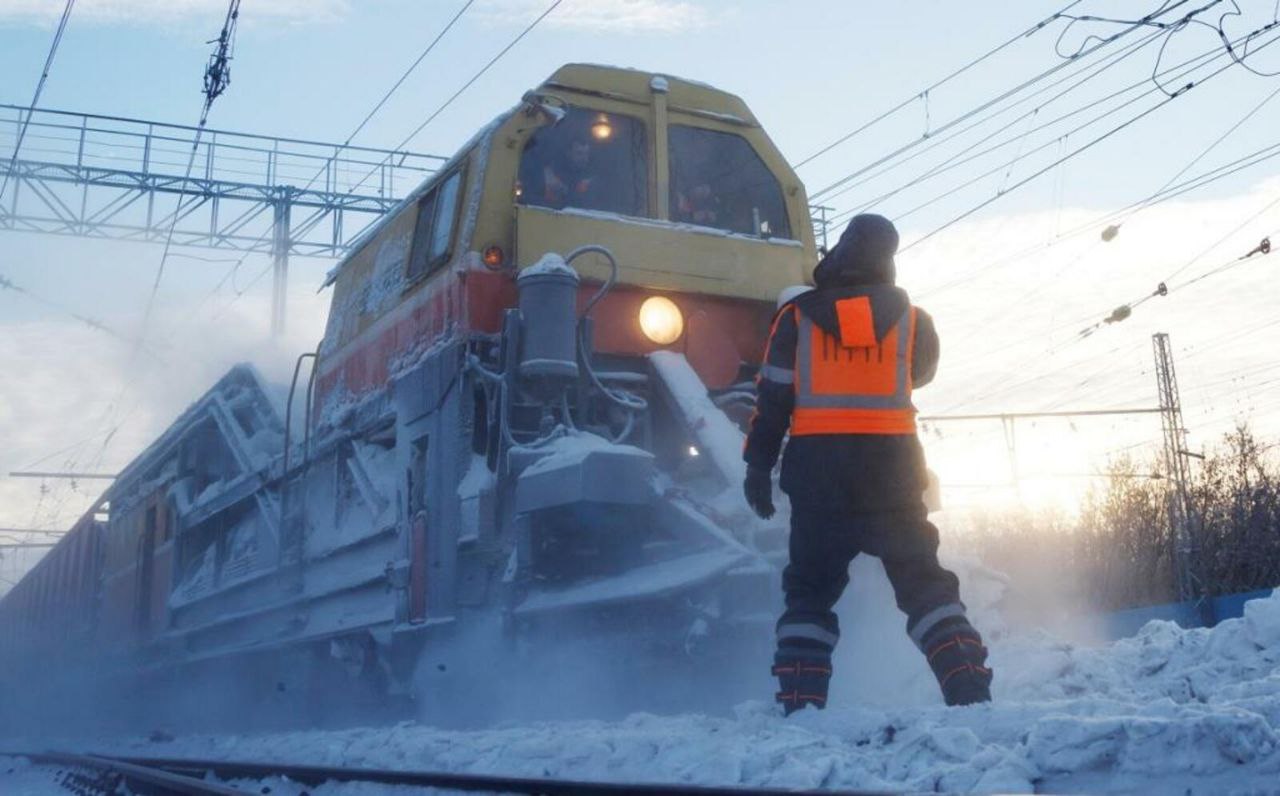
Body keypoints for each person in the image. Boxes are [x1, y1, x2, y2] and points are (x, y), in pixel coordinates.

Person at [742, 213, 993, 713]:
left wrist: (757, 468)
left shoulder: (794, 319)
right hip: (893, 478)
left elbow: (771, 400)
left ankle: (801, 706)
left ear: (839, 253)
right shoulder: (915, 321)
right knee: (925, 585)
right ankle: (969, 693)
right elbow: (919, 376)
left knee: (809, 594)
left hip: (817, 481)